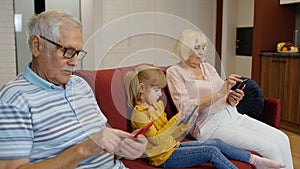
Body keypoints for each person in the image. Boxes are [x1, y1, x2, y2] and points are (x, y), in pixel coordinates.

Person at [0, 10, 147, 169]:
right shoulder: (14, 100)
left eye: (77, 53)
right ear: (37, 46)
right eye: (68, 52)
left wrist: (125, 147)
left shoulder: (80, 85)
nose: (74, 62)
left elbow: (102, 144)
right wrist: (82, 150)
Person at [166, 29, 293, 169]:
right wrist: (221, 93)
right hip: (207, 125)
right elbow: (185, 108)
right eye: (197, 48)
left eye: (203, 47)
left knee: (282, 138)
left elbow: (223, 94)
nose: (202, 52)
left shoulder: (207, 68)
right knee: (270, 148)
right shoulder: (174, 72)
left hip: (232, 114)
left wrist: (231, 99)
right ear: (185, 48)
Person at [124, 64, 285, 169]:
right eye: (156, 90)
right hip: (163, 158)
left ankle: (256, 161)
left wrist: (186, 120)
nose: (160, 95)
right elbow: (157, 141)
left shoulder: (157, 106)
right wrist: (178, 118)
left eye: (160, 90)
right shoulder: (139, 115)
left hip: (173, 146)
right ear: (141, 88)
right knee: (211, 152)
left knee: (216, 143)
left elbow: (172, 132)